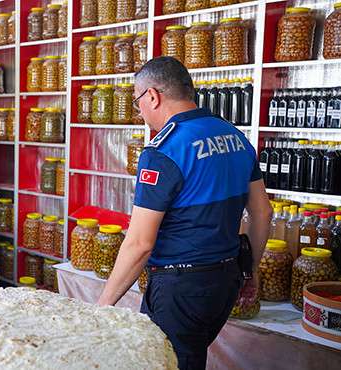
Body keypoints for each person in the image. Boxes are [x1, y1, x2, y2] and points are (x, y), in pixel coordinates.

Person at [97, 57, 272, 370]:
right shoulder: (234, 137)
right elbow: (263, 213)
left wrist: (102, 306)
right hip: (225, 282)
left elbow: (139, 244)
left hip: (181, 289)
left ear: (153, 96)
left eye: (138, 103)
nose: (140, 114)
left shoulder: (163, 151)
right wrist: (251, 269)